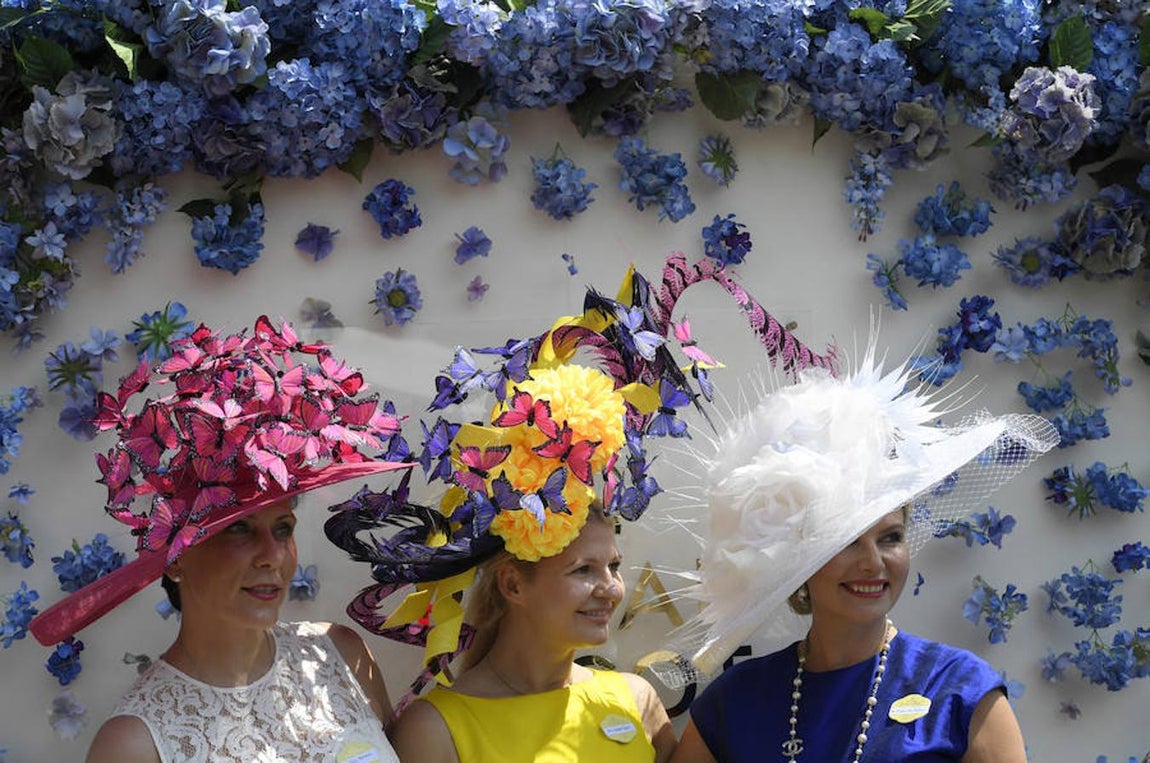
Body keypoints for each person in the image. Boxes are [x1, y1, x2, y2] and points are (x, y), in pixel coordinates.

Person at [28, 316, 412, 763]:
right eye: (239, 530)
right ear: (174, 558)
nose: (272, 556)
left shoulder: (341, 655)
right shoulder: (134, 745)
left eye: (283, 528)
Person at [664, 346, 1060, 763]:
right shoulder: (736, 700)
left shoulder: (959, 689)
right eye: (848, 541)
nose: (873, 561)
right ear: (798, 560)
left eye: (890, 538)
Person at [390, 507, 676, 763]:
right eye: (583, 570)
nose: (611, 589)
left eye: (613, 566)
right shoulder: (434, 729)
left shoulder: (636, 699)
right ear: (513, 584)